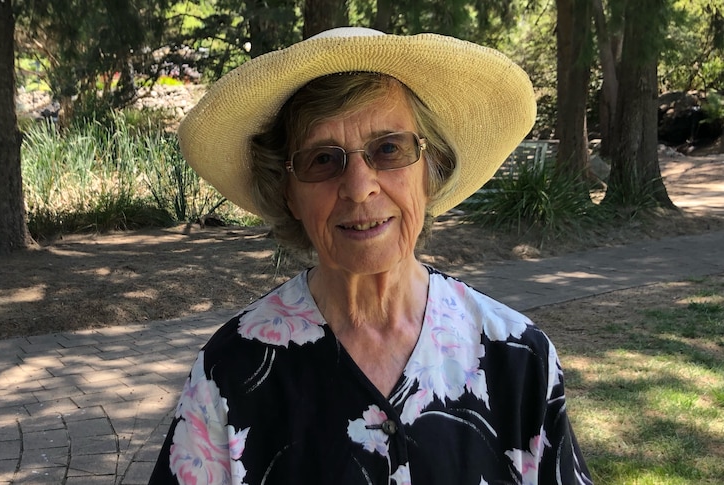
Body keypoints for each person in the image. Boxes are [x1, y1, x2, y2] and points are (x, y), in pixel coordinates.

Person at [148, 27, 593, 485]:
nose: (360, 188)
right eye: (322, 159)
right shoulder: (232, 370)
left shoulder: (515, 356)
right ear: (289, 195)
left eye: (388, 149)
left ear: (431, 168)